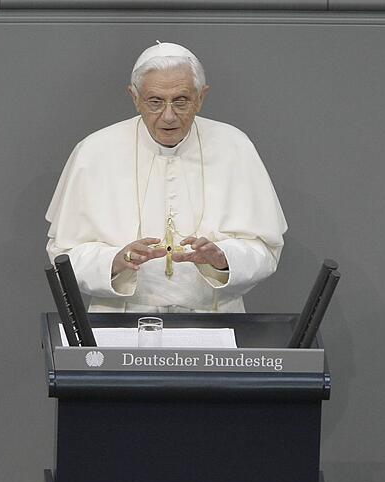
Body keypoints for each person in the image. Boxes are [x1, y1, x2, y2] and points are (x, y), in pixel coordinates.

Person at [46, 42, 287, 312]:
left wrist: (223, 259)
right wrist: (114, 261)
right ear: (134, 97)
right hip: (120, 320)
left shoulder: (235, 146)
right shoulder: (94, 151)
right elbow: (63, 255)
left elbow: (266, 249)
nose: (169, 115)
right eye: (155, 102)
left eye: (181, 100)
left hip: (214, 320)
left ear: (201, 97)